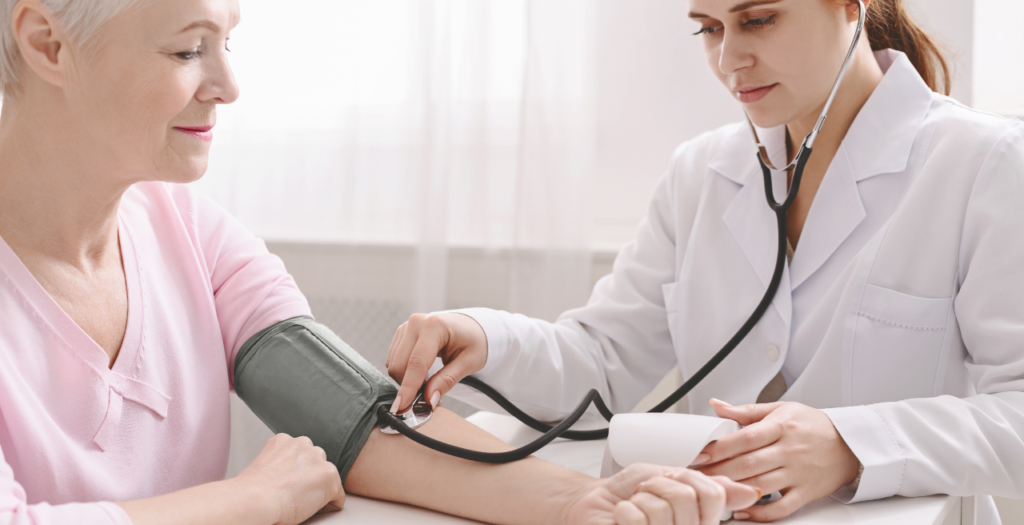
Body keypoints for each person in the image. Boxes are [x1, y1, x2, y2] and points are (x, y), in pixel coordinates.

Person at [0, 0, 766, 524]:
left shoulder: (189, 233)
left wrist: (577, 501)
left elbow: (351, 418)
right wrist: (251, 500)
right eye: (187, 48)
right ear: (48, 44)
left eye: (227, 44)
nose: (229, 86)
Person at [387, 0, 1024, 523]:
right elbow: (603, 363)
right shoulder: (701, 173)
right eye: (709, 28)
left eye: (759, 20)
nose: (729, 60)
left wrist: (852, 446)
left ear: (852, 7)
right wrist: (485, 338)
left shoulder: (984, 163)